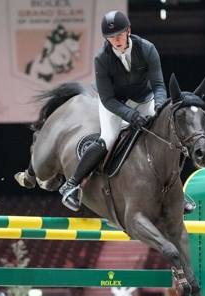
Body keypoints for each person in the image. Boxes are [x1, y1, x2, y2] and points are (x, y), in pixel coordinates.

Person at [56, 11, 194, 215]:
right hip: (114, 101)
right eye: (111, 37)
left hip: (144, 97)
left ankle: (176, 190)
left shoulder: (147, 48)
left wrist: (159, 106)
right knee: (108, 139)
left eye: (120, 34)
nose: (116, 40)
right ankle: (73, 184)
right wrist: (130, 115)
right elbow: (108, 99)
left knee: (165, 135)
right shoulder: (102, 59)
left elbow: (157, 84)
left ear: (129, 31)